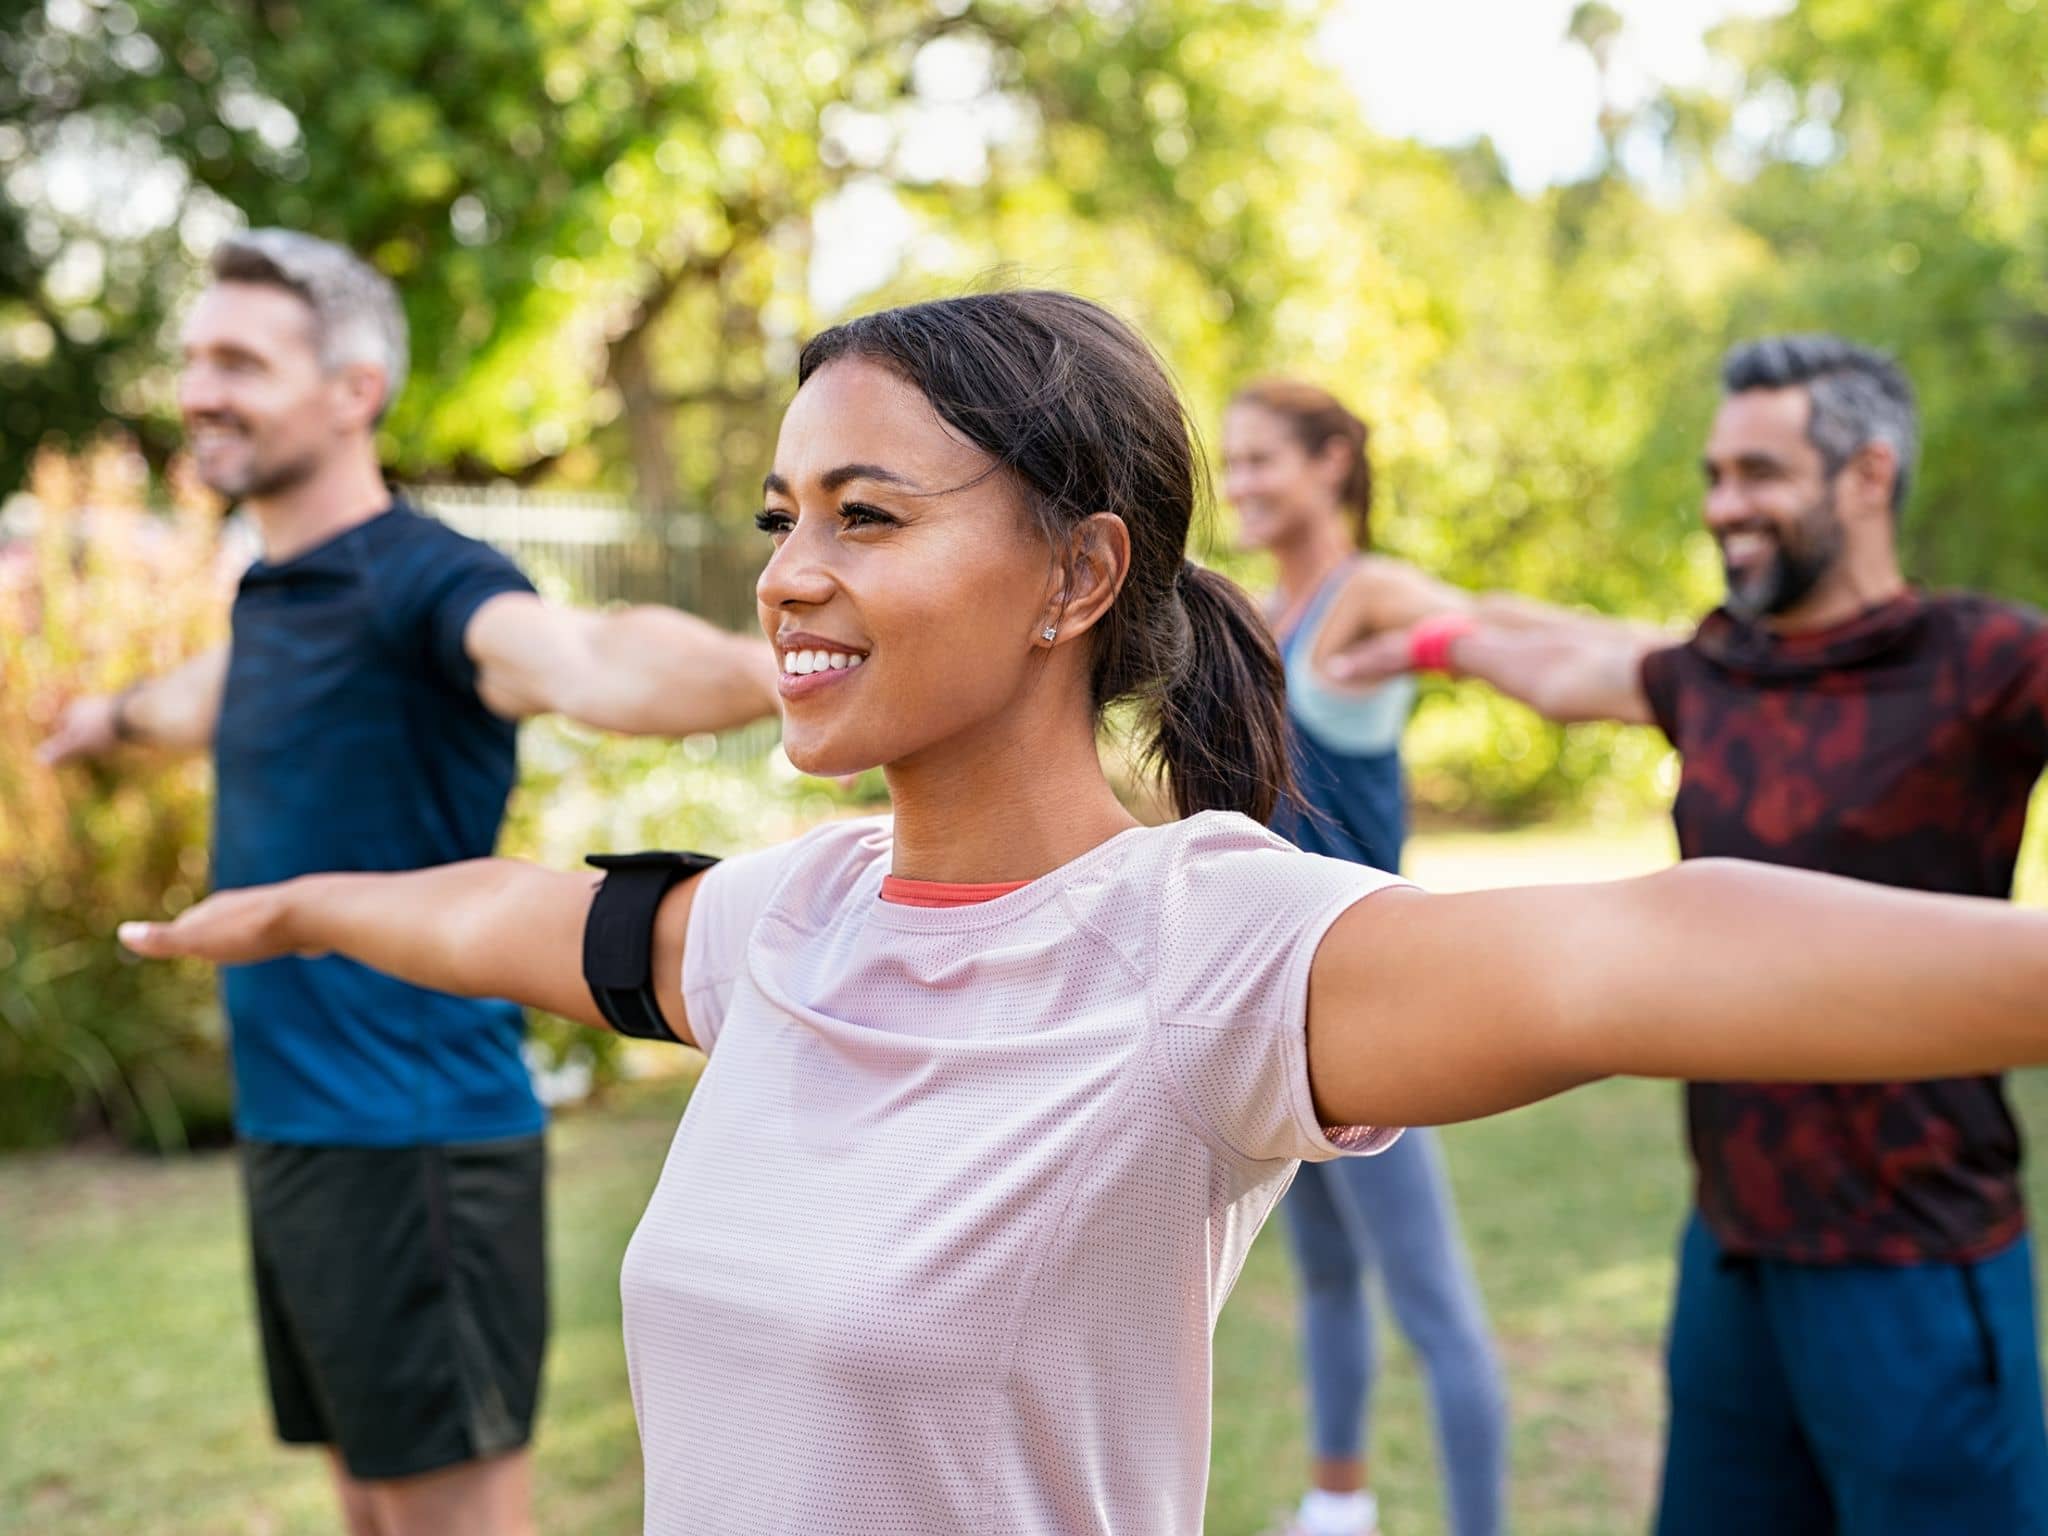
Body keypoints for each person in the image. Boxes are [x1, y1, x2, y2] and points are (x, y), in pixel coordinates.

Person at [116, 294, 2048, 1536]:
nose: (788, 575)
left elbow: (1649, 948)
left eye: (865, 516)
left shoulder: (1201, 951)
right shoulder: (784, 925)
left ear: (1074, 576)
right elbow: (515, 916)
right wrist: (301, 902)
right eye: (782, 514)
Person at [40, 230, 778, 1536]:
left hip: (416, 1145)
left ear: (353, 389)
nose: (199, 386)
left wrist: (785, 672)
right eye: (196, 355)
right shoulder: (278, 593)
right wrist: (102, 719)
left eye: (239, 360)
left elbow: (587, 660)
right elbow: (204, 699)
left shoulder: (428, 583)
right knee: (372, 1510)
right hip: (303, 1139)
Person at [1324, 334, 2048, 1535]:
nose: (1724, 508)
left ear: (1867, 477)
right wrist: (1418, 644)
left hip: (1912, 1258)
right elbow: (1558, 659)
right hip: (1731, 1253)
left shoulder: (1981, 661)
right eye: (1715, 477)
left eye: (1758, 474)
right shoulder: (1716, 666)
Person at [1222, 381, 1505, 1536]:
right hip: (1278, 1007)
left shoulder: (1366, 594)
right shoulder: (1256, 610)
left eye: (1261, 462)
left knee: (1430, 1303)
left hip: (1373, 1002)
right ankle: (1334, 1509)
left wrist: (1445, 648)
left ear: (1332, 462)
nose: (1237, 483)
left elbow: (1492, 631)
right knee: (1329, 1279)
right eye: (1229, 464)